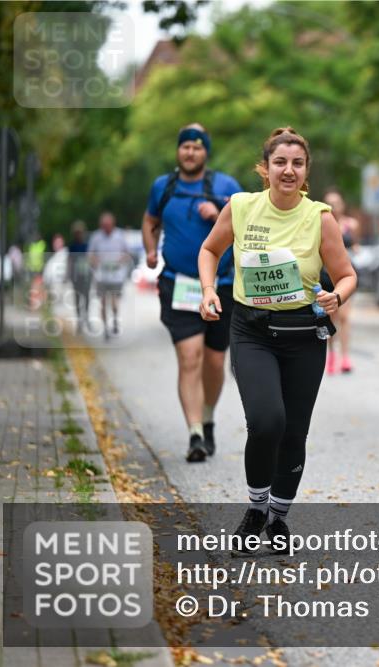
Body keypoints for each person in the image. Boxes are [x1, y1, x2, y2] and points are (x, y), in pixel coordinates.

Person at [198, 127, 357, 550]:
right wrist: (210, 289)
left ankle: (278, 518)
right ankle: (255, 507)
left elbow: (346, 274)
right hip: (252, 330)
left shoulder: (320, 217)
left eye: (297, 164)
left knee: (294, 431)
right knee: (268, 420)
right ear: (265, 168)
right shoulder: (241, 207)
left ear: (306, 171)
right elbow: (210, 250)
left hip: (305, 334)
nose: (289, 170)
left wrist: (336, 295)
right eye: (280, 163)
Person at [142, 123, 242, 463]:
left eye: (197, 148)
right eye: (185, 146)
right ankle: (195, 433)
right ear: (178, 151)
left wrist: (218, 215)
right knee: (190, 357)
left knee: (214, 361)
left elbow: (249, 226)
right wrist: (150, 249)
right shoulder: (163, 186)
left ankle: (209, 416)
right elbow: (149, 220)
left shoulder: (226, 186)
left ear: (206, 153)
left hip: (222, 285)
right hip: (178, 283)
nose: (190, 152)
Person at [322, 190, 360, 373]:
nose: (333, 206)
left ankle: (345, 357)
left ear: (342, 205)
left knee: (344, 318)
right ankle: (331, 355)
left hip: (344, 276)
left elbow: (356, 246)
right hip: (325, 276)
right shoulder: (321, 224)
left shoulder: (350, 225)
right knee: (330, 318)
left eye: (336, 202)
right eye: (329, 203)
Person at [88, 211, 129, 340]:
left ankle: (115, 319)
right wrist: (97, 263)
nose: (106, 227)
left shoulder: (119, 235)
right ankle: (106, 328)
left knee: (114, 302)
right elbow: (90, 255)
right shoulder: (96, 237)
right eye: (103, 225)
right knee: (103, 302)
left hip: (116, 276)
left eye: (108, 224)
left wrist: (119, 262)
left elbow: (126, 253)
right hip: (101, 276)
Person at [67, 222, 92, 330]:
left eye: (80, 233)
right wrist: (69, 274)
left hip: (86, 275)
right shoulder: (72, 246)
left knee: (86, 297)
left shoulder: (87, 245)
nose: (78, 235)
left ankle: (86, 317)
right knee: (77, 298)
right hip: (76, 276)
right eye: (76, 233)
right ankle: (79, 320)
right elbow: (70, 261)